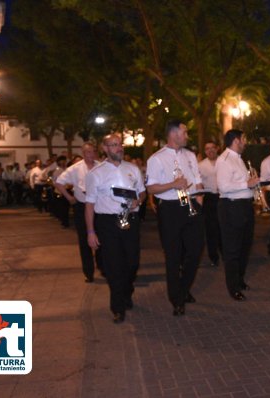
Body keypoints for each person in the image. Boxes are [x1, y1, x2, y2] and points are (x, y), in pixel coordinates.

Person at [85, 133, 146, 324]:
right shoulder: (96, 173)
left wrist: (139, 199)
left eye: (120, 144)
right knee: (113, 266)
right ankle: (117, 307)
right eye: (113, 145)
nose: (118, 148)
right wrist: (90, 232)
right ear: (104, 149)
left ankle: (126, 291)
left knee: (132, 262)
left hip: (131, 219)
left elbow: (142, 191)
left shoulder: (133, 169)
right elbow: (89, 205)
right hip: (108, 223)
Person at [146, 119, 204, 316]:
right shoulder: (157, 158)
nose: (187, 136)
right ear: (173, 134)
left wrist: (200, 198)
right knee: (173, 255)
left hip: (191, 204)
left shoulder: (190, 155)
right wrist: (172, 184)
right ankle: (176, 299)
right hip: (170, 209)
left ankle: (183, 288)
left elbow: (197, 180)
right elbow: (151, 187)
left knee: (195, 251)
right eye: (184, 132)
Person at [216, 129, 259, 301]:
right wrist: (247, 183)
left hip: (244, 207)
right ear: (236, 140)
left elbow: (243, 185)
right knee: (232, 249)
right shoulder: (224, 159)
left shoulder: (239, 160)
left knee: (245, 247)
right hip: (231, 208)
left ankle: (239, 280)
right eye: (244, 139)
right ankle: (232, 287)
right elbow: (224, 186)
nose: (245, 142)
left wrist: (253, 186)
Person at [55, 142, 103, 283]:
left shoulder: (101, 166)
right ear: (83, 153)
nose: (91, 154)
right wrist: (69, 197)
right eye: (88, 152)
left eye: (93, 151)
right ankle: (88, 272)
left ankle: (102, 266)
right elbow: (58, 182)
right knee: (84, 239)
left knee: (102, 237)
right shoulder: (75, 169)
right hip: (82, 206)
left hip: (99, 206)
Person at [198, 140, 222, 267]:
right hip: (209, 199)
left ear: (217, 148)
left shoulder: (224, 162)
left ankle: (225, 252)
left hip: (223, 197)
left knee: (224, 226)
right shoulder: (200, 166)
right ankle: (213, 256)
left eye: (213, 147)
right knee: (211, 228)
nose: (210, 150)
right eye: (207, 148)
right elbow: (198, 184)